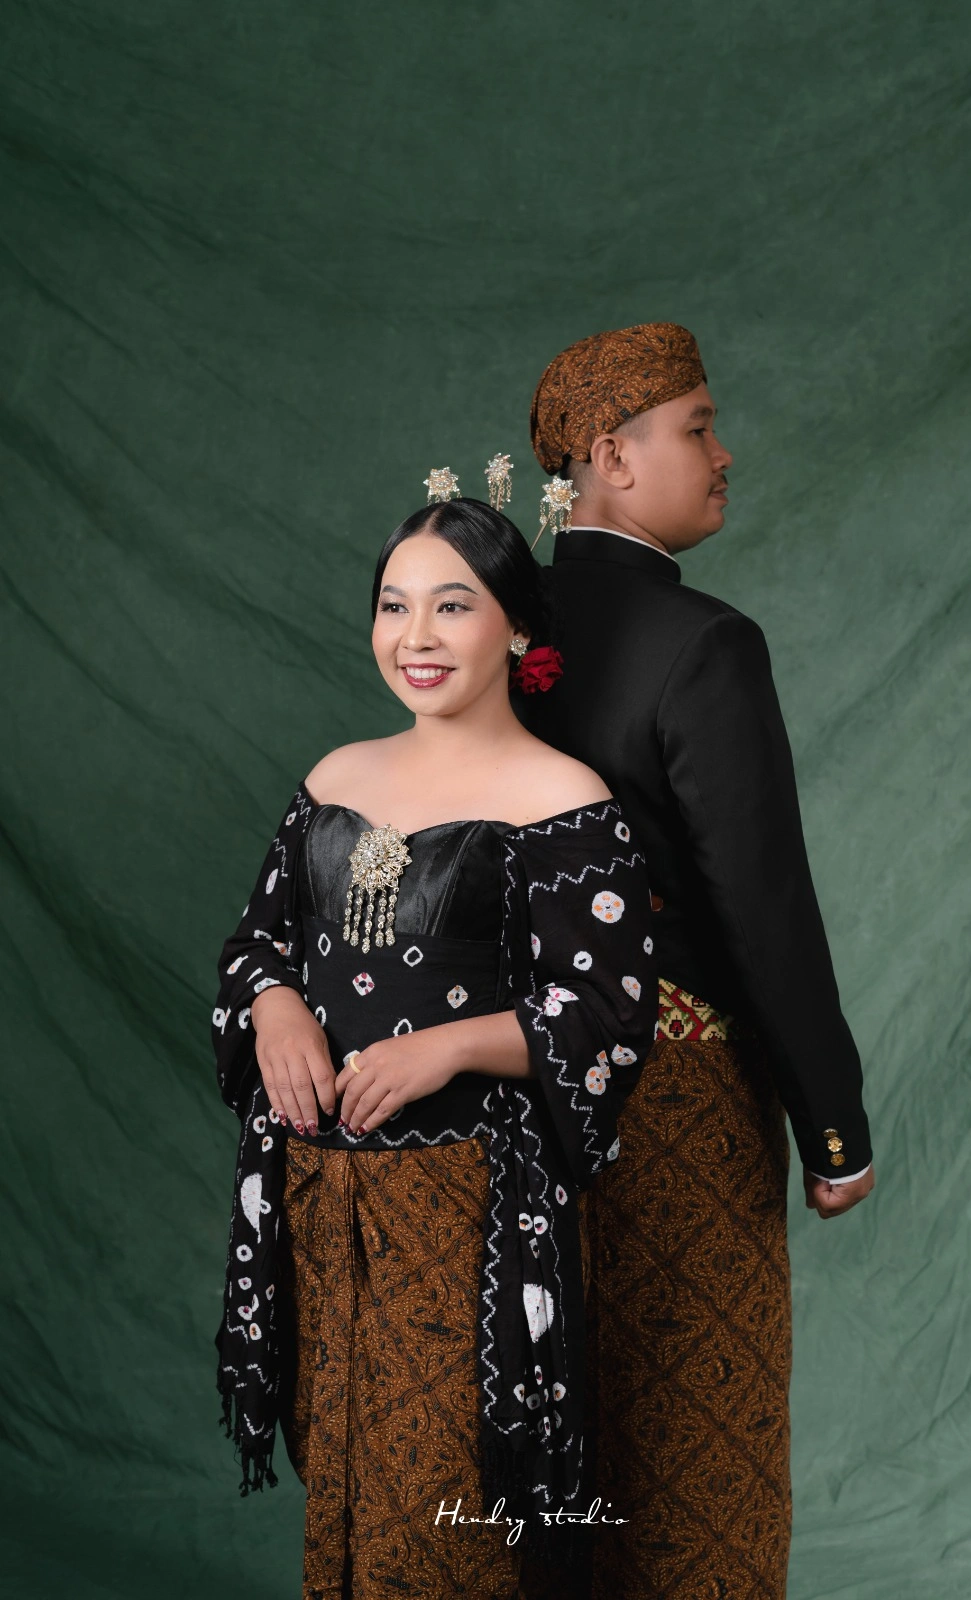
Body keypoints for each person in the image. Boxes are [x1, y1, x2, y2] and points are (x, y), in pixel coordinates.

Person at [210, 489, 658, 1600]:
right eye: (393, 605)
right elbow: (255, 945)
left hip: (471, 1207)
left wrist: (447, 1048)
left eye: (451, 606)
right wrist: (275, 1006)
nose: (415, 636)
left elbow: (608, 1011)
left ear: (516, 626)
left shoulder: (563, 797)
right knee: (345, 1487)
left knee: (444, 1515)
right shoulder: (333, 777)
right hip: (320, 1201)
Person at [518, 322, 876, 1599]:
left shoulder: (482, 625)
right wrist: (833, 1125)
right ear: (610, 455)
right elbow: (759, 907)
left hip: (509, 1094)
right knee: (689, 1451)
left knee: (548, 1428)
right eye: (698, 428)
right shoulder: (702, 642)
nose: (724, 456)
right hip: (670, 1098)